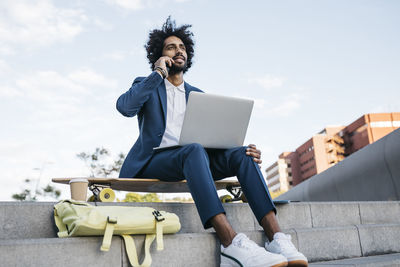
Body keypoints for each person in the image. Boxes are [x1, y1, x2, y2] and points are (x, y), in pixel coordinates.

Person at [116, 17, 308, 267]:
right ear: (160, 55)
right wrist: (158, 73)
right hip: (155, 161)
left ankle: (277, 238)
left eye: (182, 47)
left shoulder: (197, 95)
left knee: (242, 154)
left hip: (194, 159)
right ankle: (230, 243)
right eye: (171, 47)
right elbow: (125, 107)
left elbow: (214, 139)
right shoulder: (146, 84)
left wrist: (241, 149)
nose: (178, 51)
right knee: (193, 150)